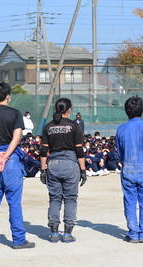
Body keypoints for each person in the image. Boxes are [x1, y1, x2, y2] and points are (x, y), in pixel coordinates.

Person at [0, 82, 35, 250]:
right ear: (8, 96)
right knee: (14, 202)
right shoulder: (15, 114)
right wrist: (5, 157)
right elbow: (16, 138)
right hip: (11, 162)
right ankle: (18, 240)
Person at [39, 98, 87, 243]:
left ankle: (54, 232)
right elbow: (79, 150)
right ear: (69, 110)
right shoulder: (74, 126)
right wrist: (83, 170)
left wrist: (42, 169)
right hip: (70, 163)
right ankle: (67, 233)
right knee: (70, 199)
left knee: (54, 198)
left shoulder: (49, 126)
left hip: (53, 163)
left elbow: (43, 150)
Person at [116, 96, 143, 243]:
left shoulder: (121, 129)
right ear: (142, 110)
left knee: (130, 201)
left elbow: (119, 152)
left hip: (128, 168)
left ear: (127, 111)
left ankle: (133, 233)